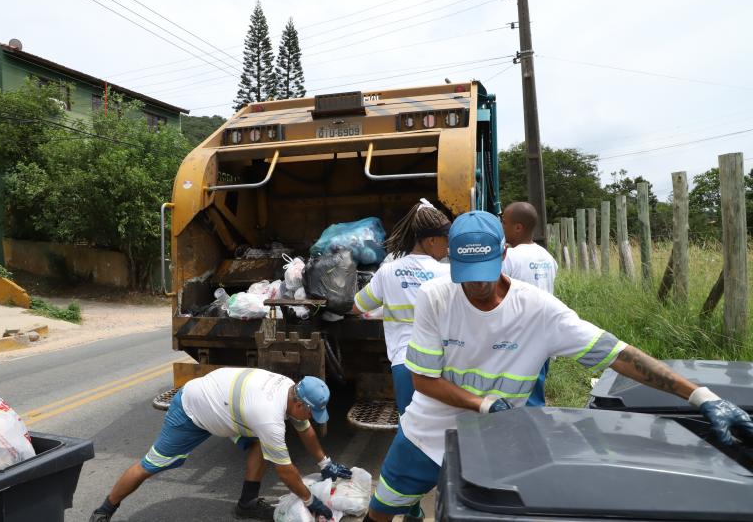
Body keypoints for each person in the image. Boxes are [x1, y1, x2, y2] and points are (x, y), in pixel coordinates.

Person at [362, 211, 753, 522]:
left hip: (499, 439)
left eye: (484, 276)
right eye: (466, 277)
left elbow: (619, 354)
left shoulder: (539, 310)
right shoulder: (436, 297)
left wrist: (701, 396)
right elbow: (423, 380)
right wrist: (484, 404)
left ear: (503, 255)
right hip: (426, 431)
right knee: (381, 508)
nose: (475, 288)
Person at [89, 368, 352, 522]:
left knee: (261, 445)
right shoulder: (269, 415)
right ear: (299, 405)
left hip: (226, 407)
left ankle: (247, 503)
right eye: (312, 413)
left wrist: (325, 463)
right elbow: (285, 470)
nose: (312, 419)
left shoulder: (290, 388)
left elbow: (304, 429)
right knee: (150, 465)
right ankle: (104, 511)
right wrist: (309, 499)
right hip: (192, 410)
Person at [351, 198, 451, 415]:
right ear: (432, 240)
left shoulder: (388, 271)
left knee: (408, 426)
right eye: (446, 239)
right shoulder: (448, 274)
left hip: (404, 364)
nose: (448, 245)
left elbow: (357, 306)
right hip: (440, 364)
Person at [501, 201, 558, 406]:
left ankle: (528, 434)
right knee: (536, 387)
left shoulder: (510, 258)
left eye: (504, 222)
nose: (501, 226)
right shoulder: (547, 257)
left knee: (521, 396)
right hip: (545, 332)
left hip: (520, 336)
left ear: (518, 227)